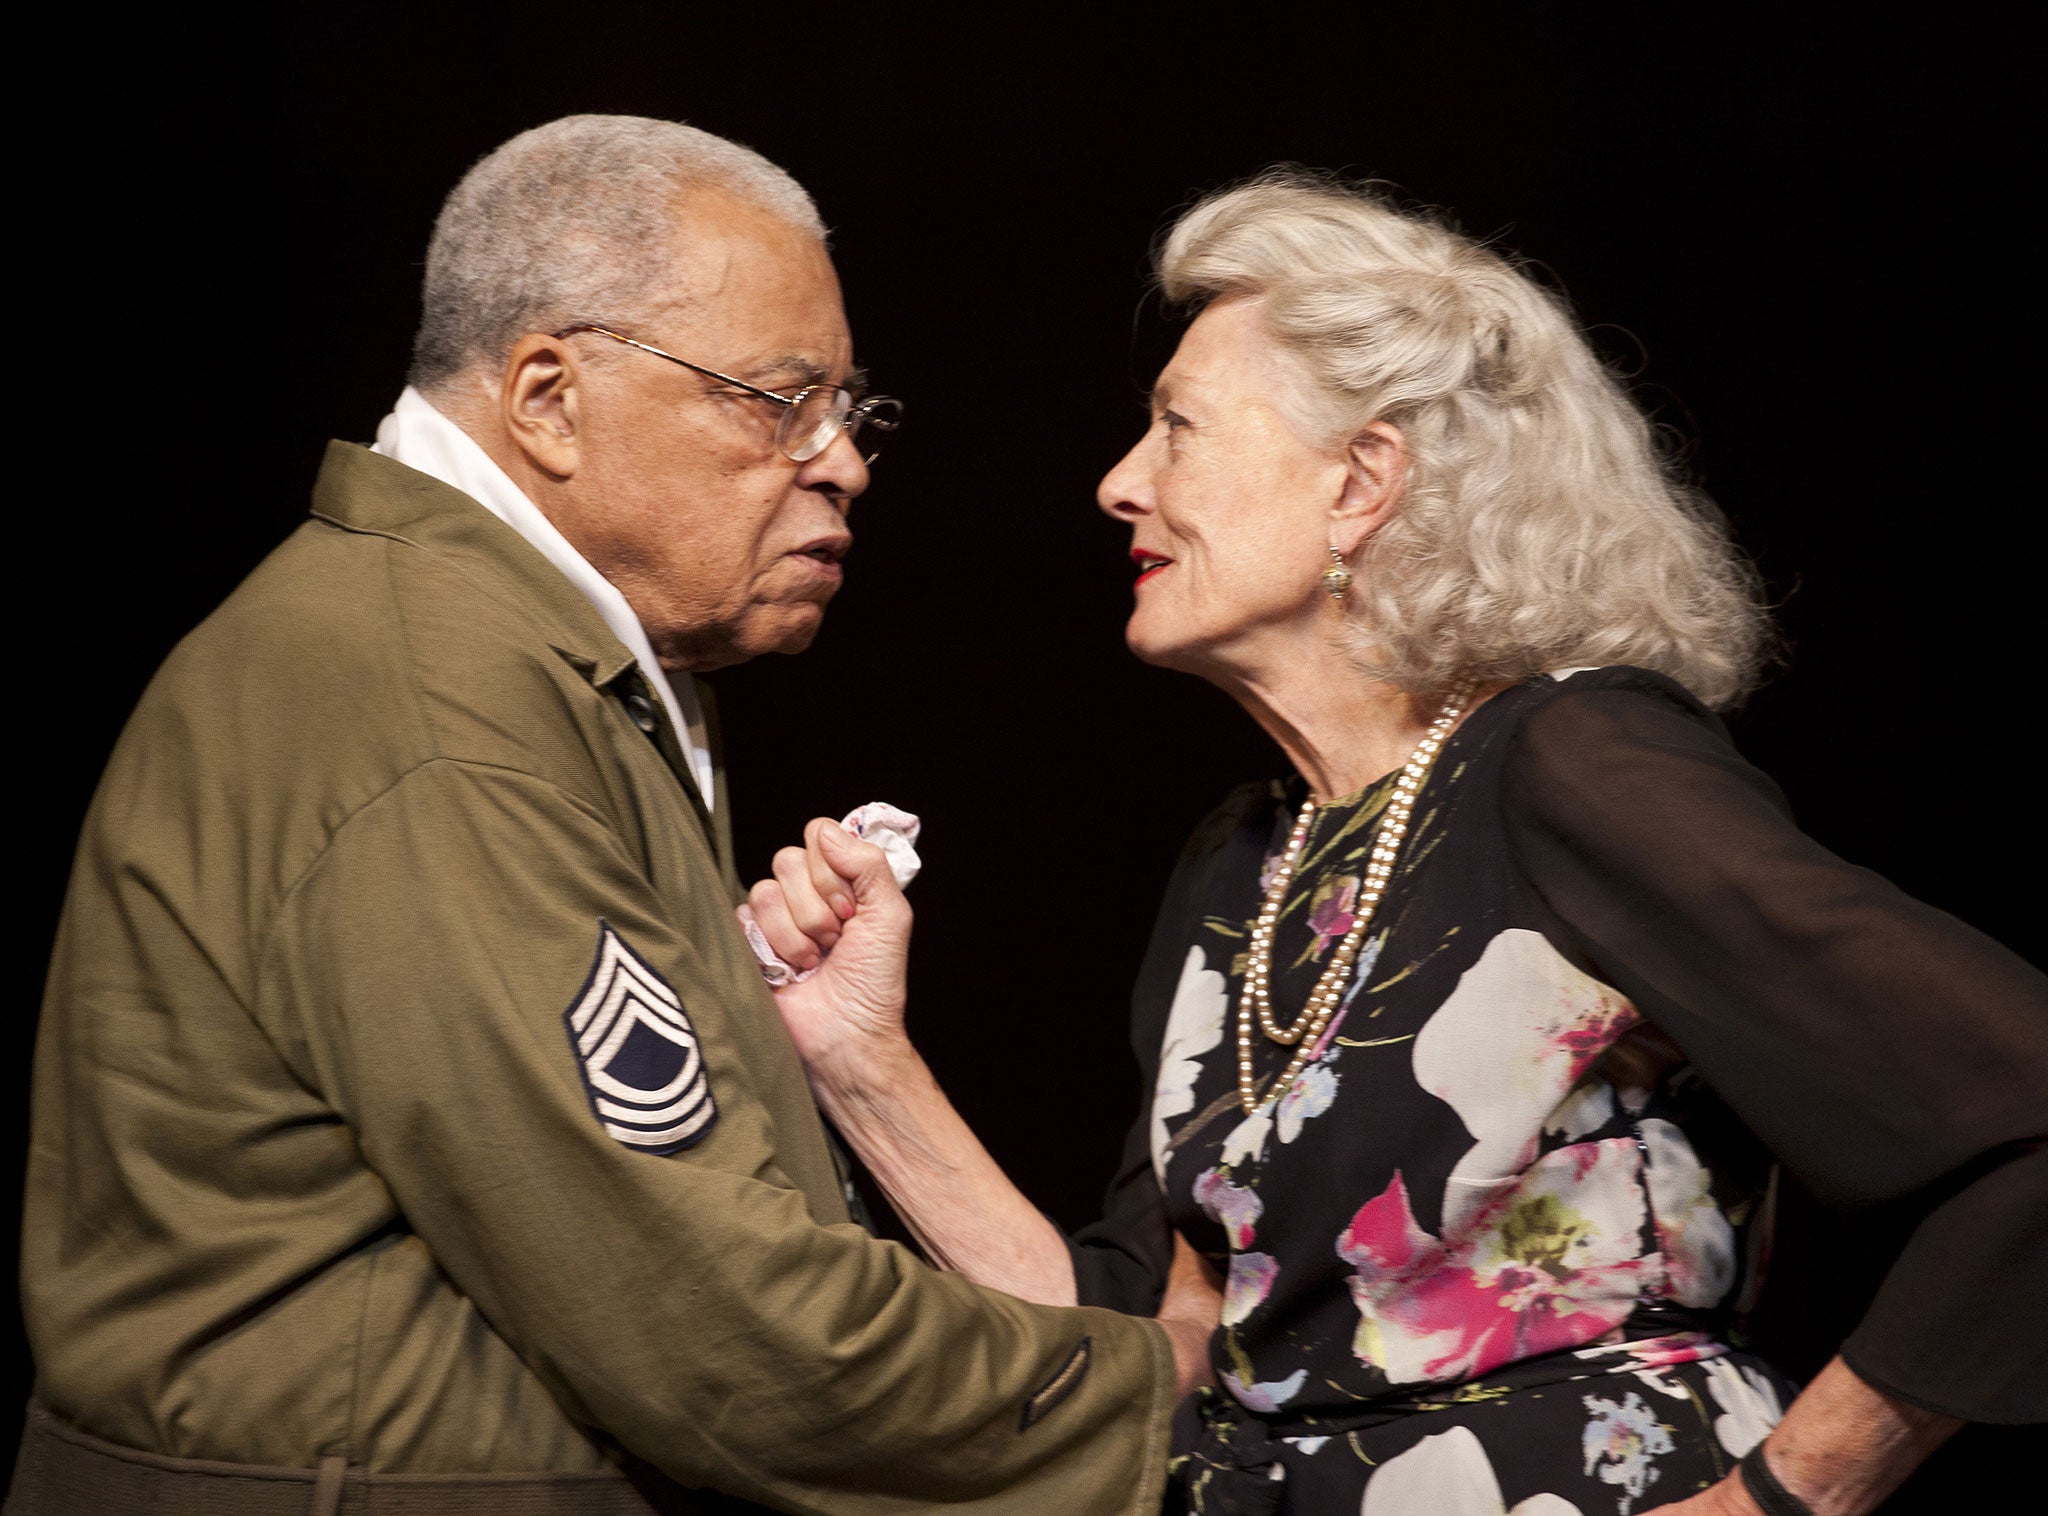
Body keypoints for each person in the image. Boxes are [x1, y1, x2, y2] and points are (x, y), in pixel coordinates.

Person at [743, 172, 2048, 1515]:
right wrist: (860, 1060)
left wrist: (1778, 1500)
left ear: (1362, 484)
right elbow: (1149, 1347)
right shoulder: (1243, 860)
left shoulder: (1570, 765)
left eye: (1177, 429)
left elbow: (2027, 1110)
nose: (1119, 484)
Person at [8, 114, 1213, 1515]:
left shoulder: (509, 657)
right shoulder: (436, 714)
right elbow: (722, 1336)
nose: (844, 463)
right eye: (781, 401)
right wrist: (1152, 1396)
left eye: (851, 412)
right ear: (545, 398)